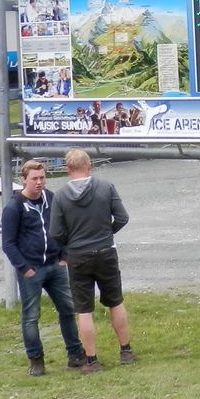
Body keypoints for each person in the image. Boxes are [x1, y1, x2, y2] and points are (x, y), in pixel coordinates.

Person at [48, 148, 134, 374]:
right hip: (105, 250)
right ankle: (125, 350)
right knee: (115, 301)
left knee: (84, 309)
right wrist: (107, 232)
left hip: (77, 256)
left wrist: (71, 242)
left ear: (67, 169)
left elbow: (55, 232)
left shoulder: (60, 196)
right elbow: (123, 217)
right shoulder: (106, 187)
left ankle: (92, 360)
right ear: (90, 166)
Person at [0, 158, 84, 376]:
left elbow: (64, 227)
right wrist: (24, 268)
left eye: (42, 178)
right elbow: (8, 243)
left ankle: (75, 355)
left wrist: (63, 257)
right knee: (31, 315)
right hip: (32, 269)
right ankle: (36, 359)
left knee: (67, 308)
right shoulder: (14, 207)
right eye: (34, 179)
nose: (39, 182)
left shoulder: (51, 198)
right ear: (24, 180)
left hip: (55, 265)